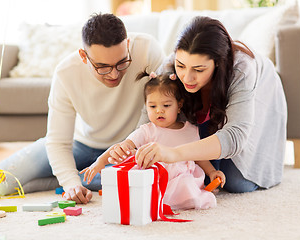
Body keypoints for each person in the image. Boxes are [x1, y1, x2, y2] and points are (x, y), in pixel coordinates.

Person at [0, 13, 165, 203]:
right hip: (80, 143)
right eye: (103, 67)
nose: (114, 74)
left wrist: (130, 145)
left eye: (122, 62)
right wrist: (71, 185)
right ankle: (73, 178)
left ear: (128, 44)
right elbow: (58, 142)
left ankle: (52, 183)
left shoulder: (148, 49)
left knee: (140, 179)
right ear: (84, 56)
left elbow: (158, 111)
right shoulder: (66, 72)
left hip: (126, 148)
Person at [113, 16, 287, 193]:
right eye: (181, 66)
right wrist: (132, 148)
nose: (187, 78)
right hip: (208, 117)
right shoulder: (170, 66)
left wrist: (173, 153)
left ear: (218, 63)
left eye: (198, 70)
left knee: (236, 183)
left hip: (260, 96)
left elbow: (235, 137)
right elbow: (147, 120)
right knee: (194, 172)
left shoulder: (241, 69)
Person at [81, 71, 226, 210]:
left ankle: (179, 199)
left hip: (181, 178)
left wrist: (212, 172)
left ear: (179, 105)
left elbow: (199, 157)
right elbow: (121, 147)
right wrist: (101, 161)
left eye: (166, 105)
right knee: (127, 181)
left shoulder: (190, 130)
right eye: (152, 106)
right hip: (153, 179)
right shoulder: (147, 130)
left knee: (187, 185)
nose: (159, 111)